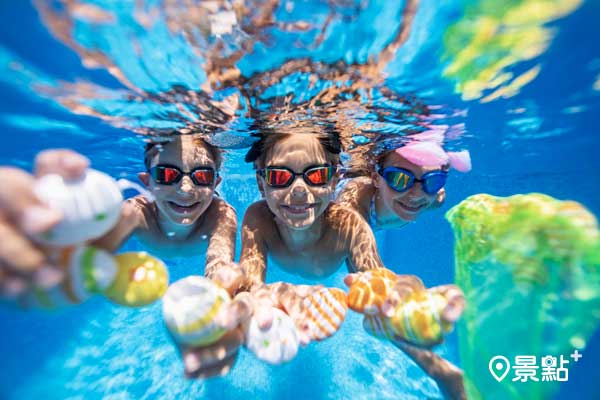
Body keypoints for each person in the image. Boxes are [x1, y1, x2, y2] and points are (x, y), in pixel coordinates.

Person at [235, 122, 466, 399]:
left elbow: (380, 287)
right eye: (279, 177)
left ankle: (429, 195)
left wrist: (440, 371)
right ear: (261, 183)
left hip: (367, 203)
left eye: (317, 175)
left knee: (424, 201)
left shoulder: (349, 226)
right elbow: (250, 283)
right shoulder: (258, 219)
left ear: (334, 179)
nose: (298, 190)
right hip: (365, 197)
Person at [337, 140, 471, 231]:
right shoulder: (355, 200)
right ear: (376, 178)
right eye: (400, 179)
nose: (418, 195)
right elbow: (358, 252)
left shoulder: (435, 199)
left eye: (432, 181)